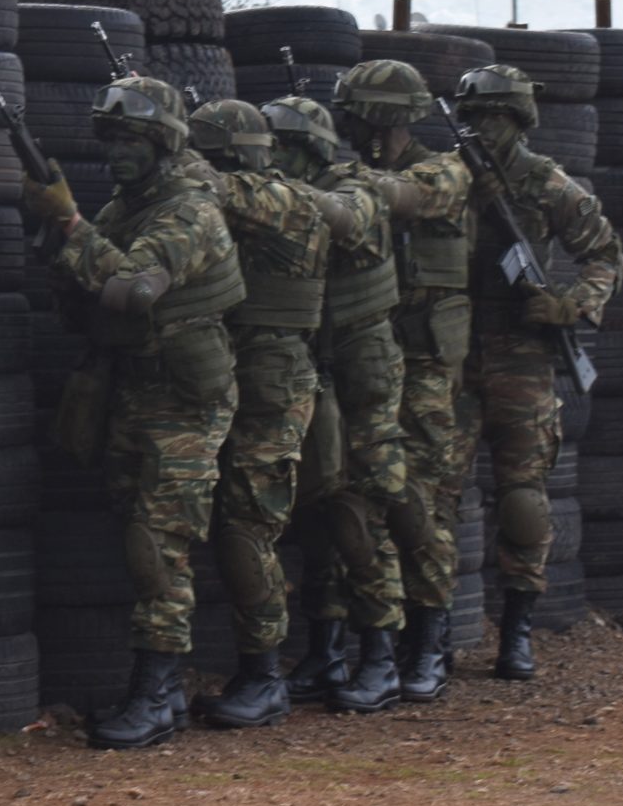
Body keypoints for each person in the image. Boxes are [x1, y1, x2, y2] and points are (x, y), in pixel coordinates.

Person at [24, 76, 240, 748]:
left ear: (163, 142)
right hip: (135, 389)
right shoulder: (128, 205)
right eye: (110, 137)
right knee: (136, 532)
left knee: (158, 544)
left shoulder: (189, 211)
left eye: (131, 139)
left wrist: (70, 225)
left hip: (182, 399)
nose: (116, 151)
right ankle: (161, 693)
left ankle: (156, 693)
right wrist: (56, 239)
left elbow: (134, 290)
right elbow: (83, 288)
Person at [455, 65, 623, 674]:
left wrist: (571, 304)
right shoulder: (452, 177)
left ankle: (518, 629)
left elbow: (606, 254)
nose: (480, 128)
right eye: (472, 117)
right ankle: (428, 633)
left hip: (521, 355)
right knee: (431, 493)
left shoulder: (547, 184)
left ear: (519, 120)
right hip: (452, 354)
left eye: (492, 117)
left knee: (523, 496)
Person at [185, 99, 335, 727]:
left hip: (271, 381)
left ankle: (264, 675)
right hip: (218, 374)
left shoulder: (287, 200)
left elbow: (224, 191)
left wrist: (188, 163)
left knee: (249, 527)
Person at [336, 60, 478, 700]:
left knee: (418, 501)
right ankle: (378, 642)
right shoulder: (349, 171)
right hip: (366, 356)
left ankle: (428, 639)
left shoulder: (444, 168)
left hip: (424, 367)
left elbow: (402, 197)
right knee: (357, 499)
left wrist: (341, 176)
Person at [267, 96, 408, 713]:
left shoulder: (353, 187)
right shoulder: (284, 196)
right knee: (316, 508)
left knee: (360, 509)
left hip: (362, 368)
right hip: (313, 365)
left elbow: (347, 220)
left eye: (279, 148)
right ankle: (325, 648)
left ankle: (380, 655)